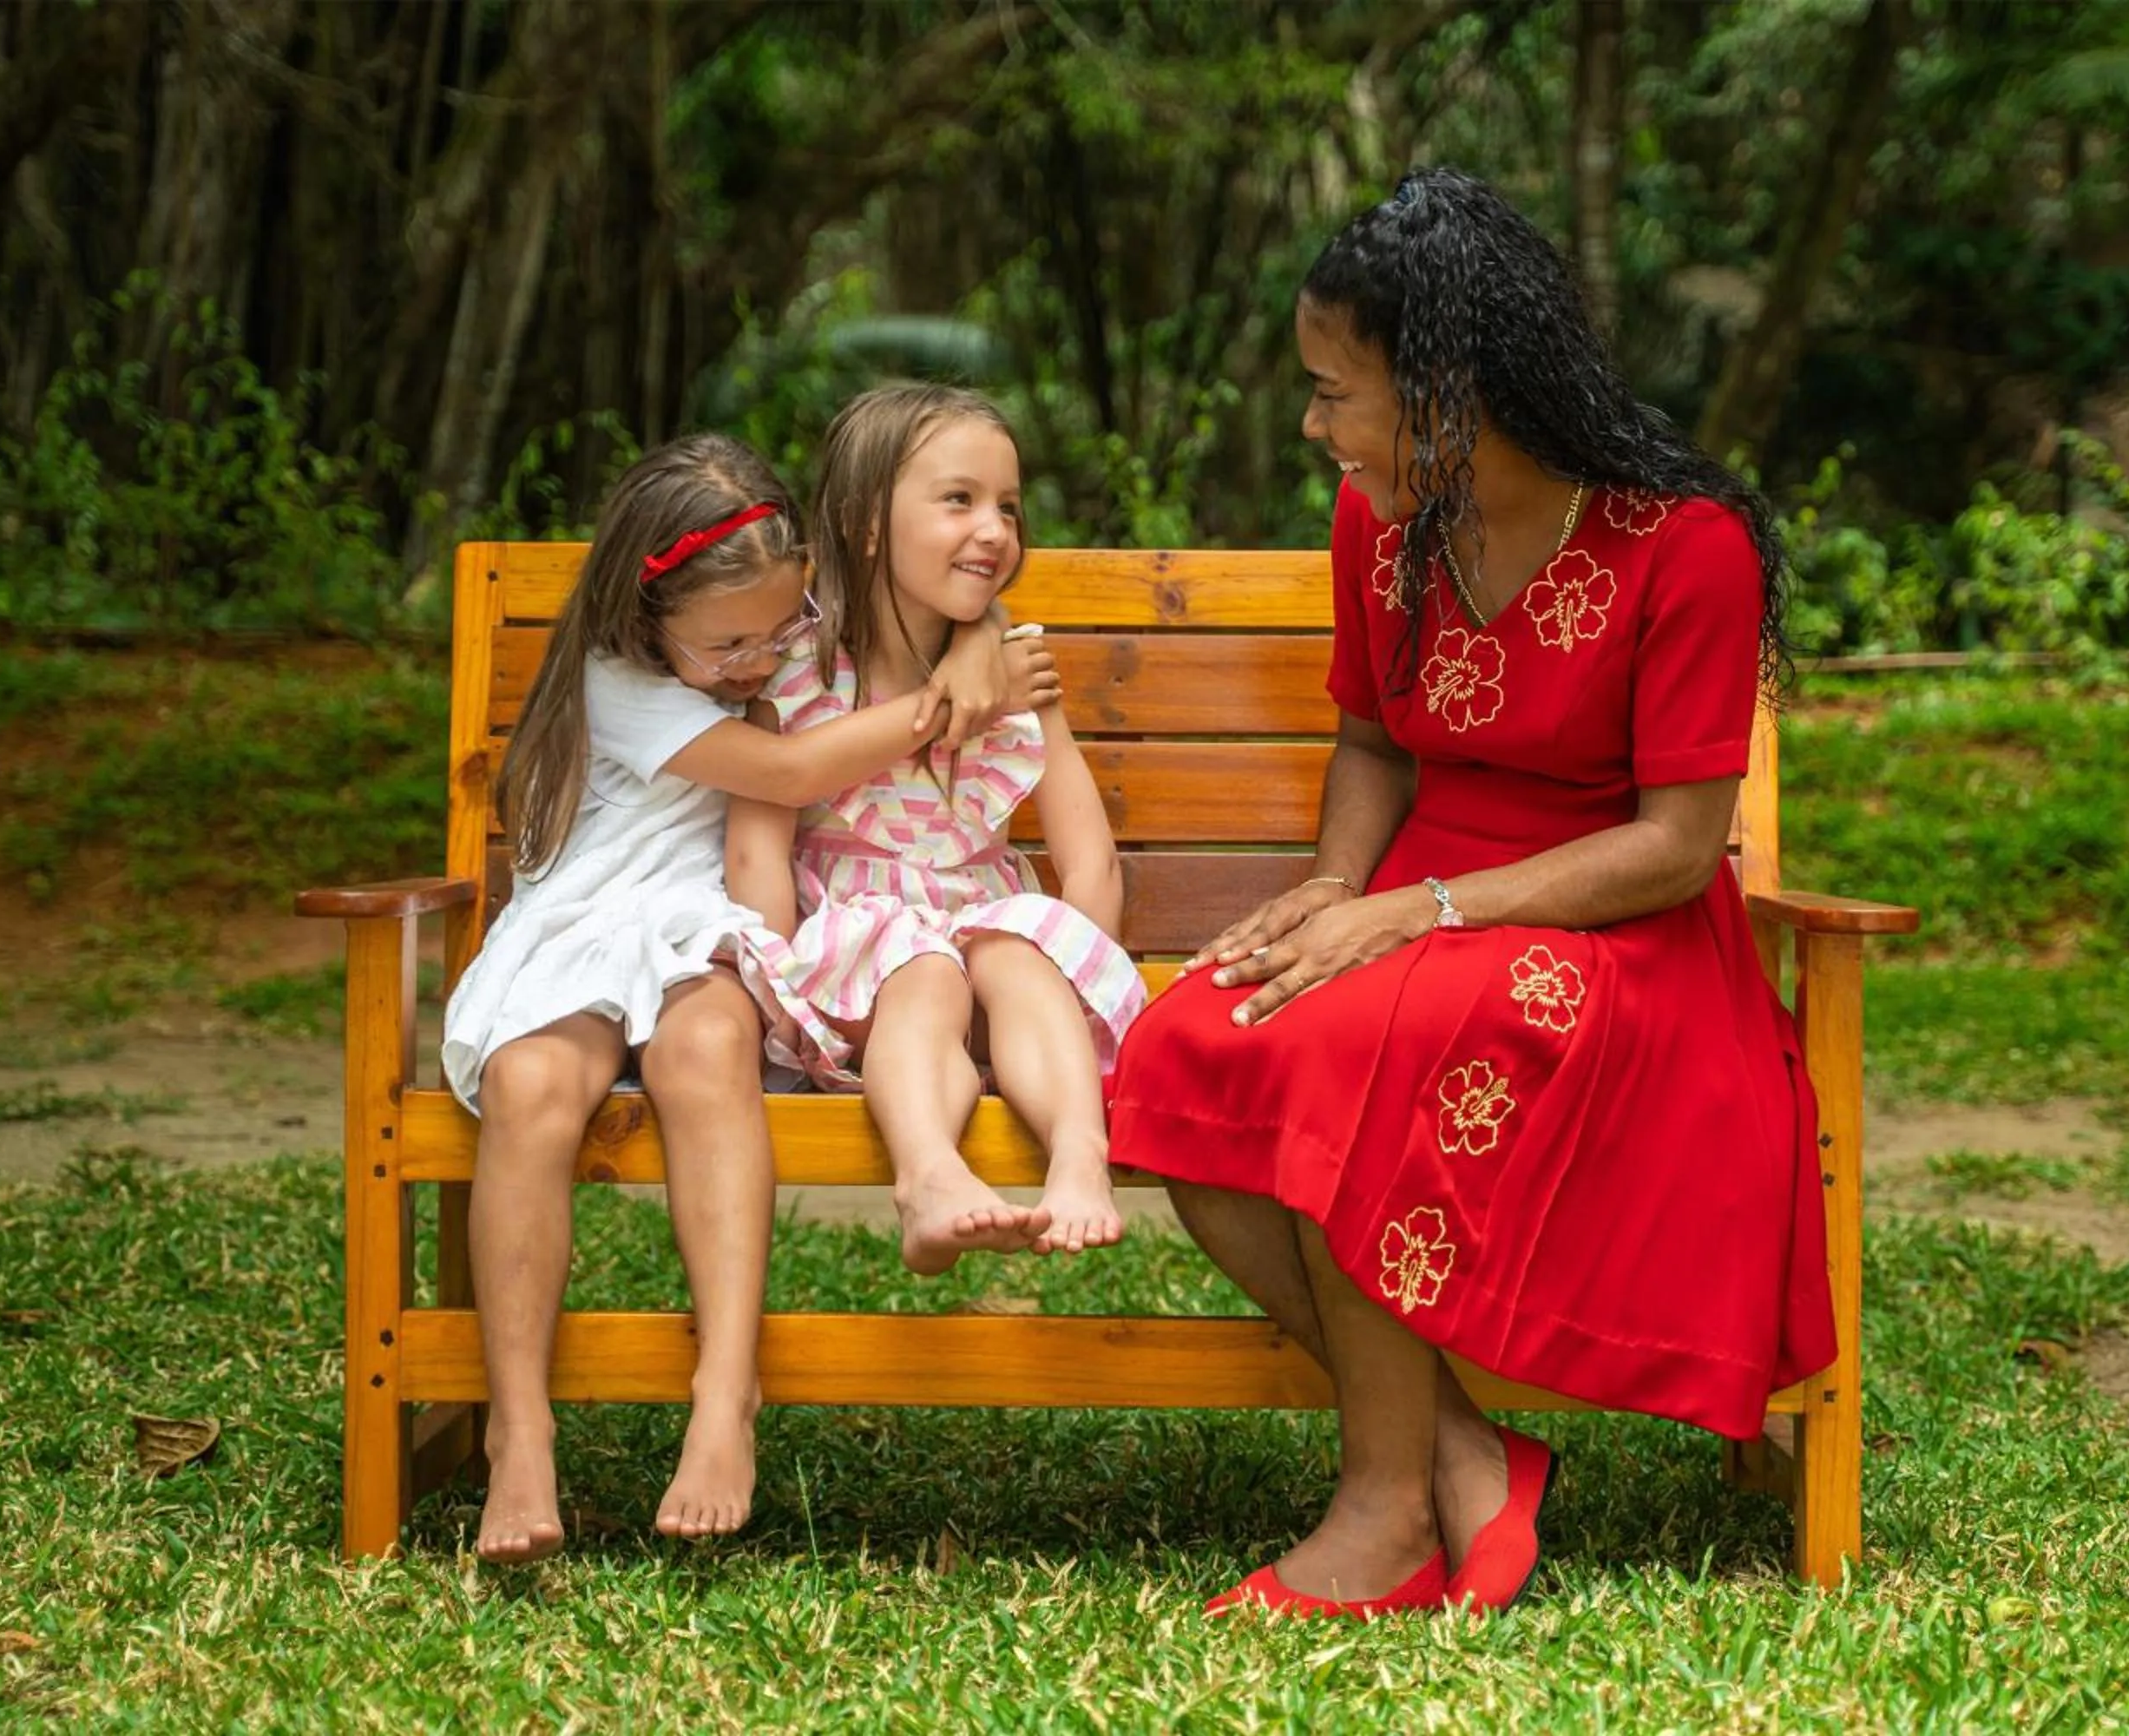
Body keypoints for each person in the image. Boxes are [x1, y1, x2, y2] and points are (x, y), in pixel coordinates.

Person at [1105, 168, 1835, 1618]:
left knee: (1348, 1045)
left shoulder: (1681, 545)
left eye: (1334, 392)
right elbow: (1375, 735)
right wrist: (1331, 889)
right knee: (1190, 1046)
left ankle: (1385, 1512)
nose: (1314, 428)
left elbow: (1680, 845)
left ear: (1446, 388)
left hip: (1615, 937)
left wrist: (1420, 916)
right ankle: (1459, 1455)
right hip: (1419, 911)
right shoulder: (1383, 520)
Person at [444, 431, 1057, 1564]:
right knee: (530, 1083)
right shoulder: (617, 681)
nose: (760, 660)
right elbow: (783, 774)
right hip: (591, 921)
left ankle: (726, 1394)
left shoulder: (785, 619)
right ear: (646, 616)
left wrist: (973, 641)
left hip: (719, 920)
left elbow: (916, 583)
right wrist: (947, 702)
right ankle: (516, 1437)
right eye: (728, 643)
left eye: (779, 631)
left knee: (706, 1047)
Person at [730, 385, 1143, 1276]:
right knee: (923, 974)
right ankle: (930, 1176)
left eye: (1008, 507)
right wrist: (768, 994)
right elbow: (756, 849)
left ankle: (1080, 1154)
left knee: (1014, 948)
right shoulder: (795, 670)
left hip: (995, 962)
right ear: (865, 521)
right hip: (862, 969)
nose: (994, 528)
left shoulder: (1015, 665)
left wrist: (1084, 977)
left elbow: (1086, 855)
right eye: (959, 500)